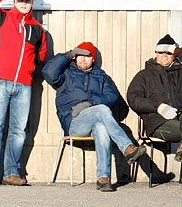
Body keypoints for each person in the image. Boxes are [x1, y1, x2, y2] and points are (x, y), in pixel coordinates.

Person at [42, 42, 147, 192]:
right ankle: (127, 147)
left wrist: (90, 103)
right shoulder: (66, 73)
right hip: (73, 121)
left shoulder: (101, 76)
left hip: (94, 118)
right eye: (79, 55)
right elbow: (48, 73)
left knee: (102, 127)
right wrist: (68, 54)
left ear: (93, 59)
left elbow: (112, 97)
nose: (83, 59)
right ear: (75, 58)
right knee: (102, 110)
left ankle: (103, 178)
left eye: (87, 56)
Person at [0, 0, 47, 187]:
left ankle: (11, 172)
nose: (24, 4)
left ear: (32, 4)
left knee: (18, 131)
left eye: (27, 1)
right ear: (15, 1)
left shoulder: (37, 29)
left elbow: (40, 57)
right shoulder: (1, 18)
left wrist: (28, 72)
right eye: (21, 0)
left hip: (24, 86)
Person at [127, 34, 182, 194]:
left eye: (169, 52)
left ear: (174, 55)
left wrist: (179, 50)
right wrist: (157, 106)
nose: (164, 55)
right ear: (155, 54)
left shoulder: (181, 74)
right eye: (161, 52)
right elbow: (133, 98)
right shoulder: (144, 75)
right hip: (158, 123)